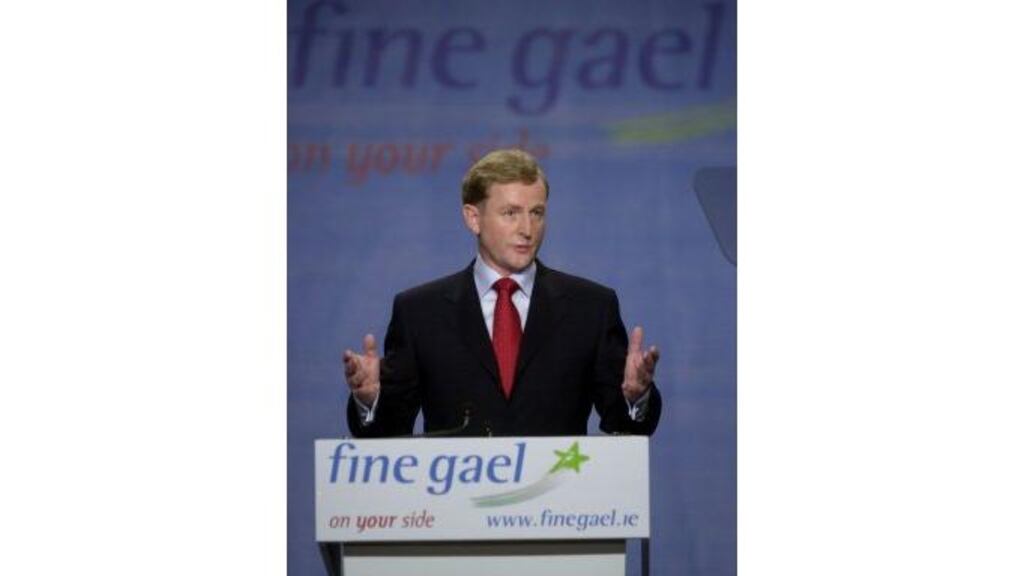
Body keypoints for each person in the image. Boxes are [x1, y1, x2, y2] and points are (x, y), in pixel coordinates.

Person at [343, 149, 662, 437]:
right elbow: (387, 432)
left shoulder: (590, 308)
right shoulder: (420, 312)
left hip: (560, 499)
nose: (527, 229)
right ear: (473, 218)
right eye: (511, 213)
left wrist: (635, 397)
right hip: (454, 498)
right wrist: (370, 401)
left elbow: (625, 424)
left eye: (536, 213)